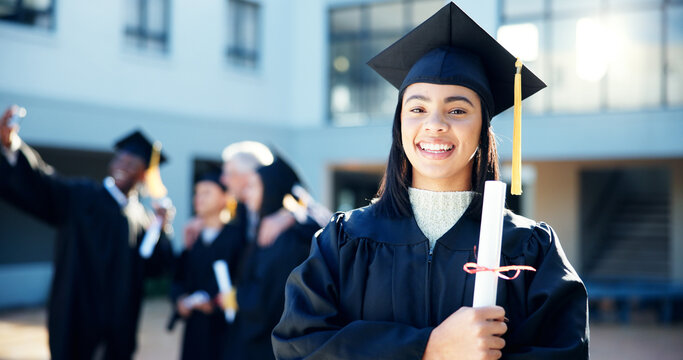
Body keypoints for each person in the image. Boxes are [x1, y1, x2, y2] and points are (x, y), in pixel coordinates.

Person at [272, 3, 589, 360]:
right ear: (400, 125)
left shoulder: (529, 250)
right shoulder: (343, 241)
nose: (435, 124)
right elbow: (297, 347)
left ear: (484, 130)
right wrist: (428, 347)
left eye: (457, 110)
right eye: (418, 108)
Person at [0, 106, 174, 360]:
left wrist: (161, 226)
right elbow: (42, 183)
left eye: (133, 163)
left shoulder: (143, 219)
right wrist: (12, 145)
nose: (124, 166)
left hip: (119, 324)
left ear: (144, 174)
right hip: (77, 315)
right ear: (112, 163)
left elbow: (155, 266)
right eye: (121, 159)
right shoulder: (81, 196)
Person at [223, 156, 320, 360]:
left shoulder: (285, 238)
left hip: (266, 345)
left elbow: (268, 302)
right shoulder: (264, 225)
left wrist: (237, 299)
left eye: (253, 187)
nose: (246, 194)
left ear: (270, 190)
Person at [169, 169, 245, 360]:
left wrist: (215, 302)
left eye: (206, 192)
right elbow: (180, 278)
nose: (199, 198)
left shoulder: (238, 238)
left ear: (225, 198)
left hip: (224, 332)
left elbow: (243, 280)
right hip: (194, 329)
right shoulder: (193, 238)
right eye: (197, 193)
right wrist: (179, 300)